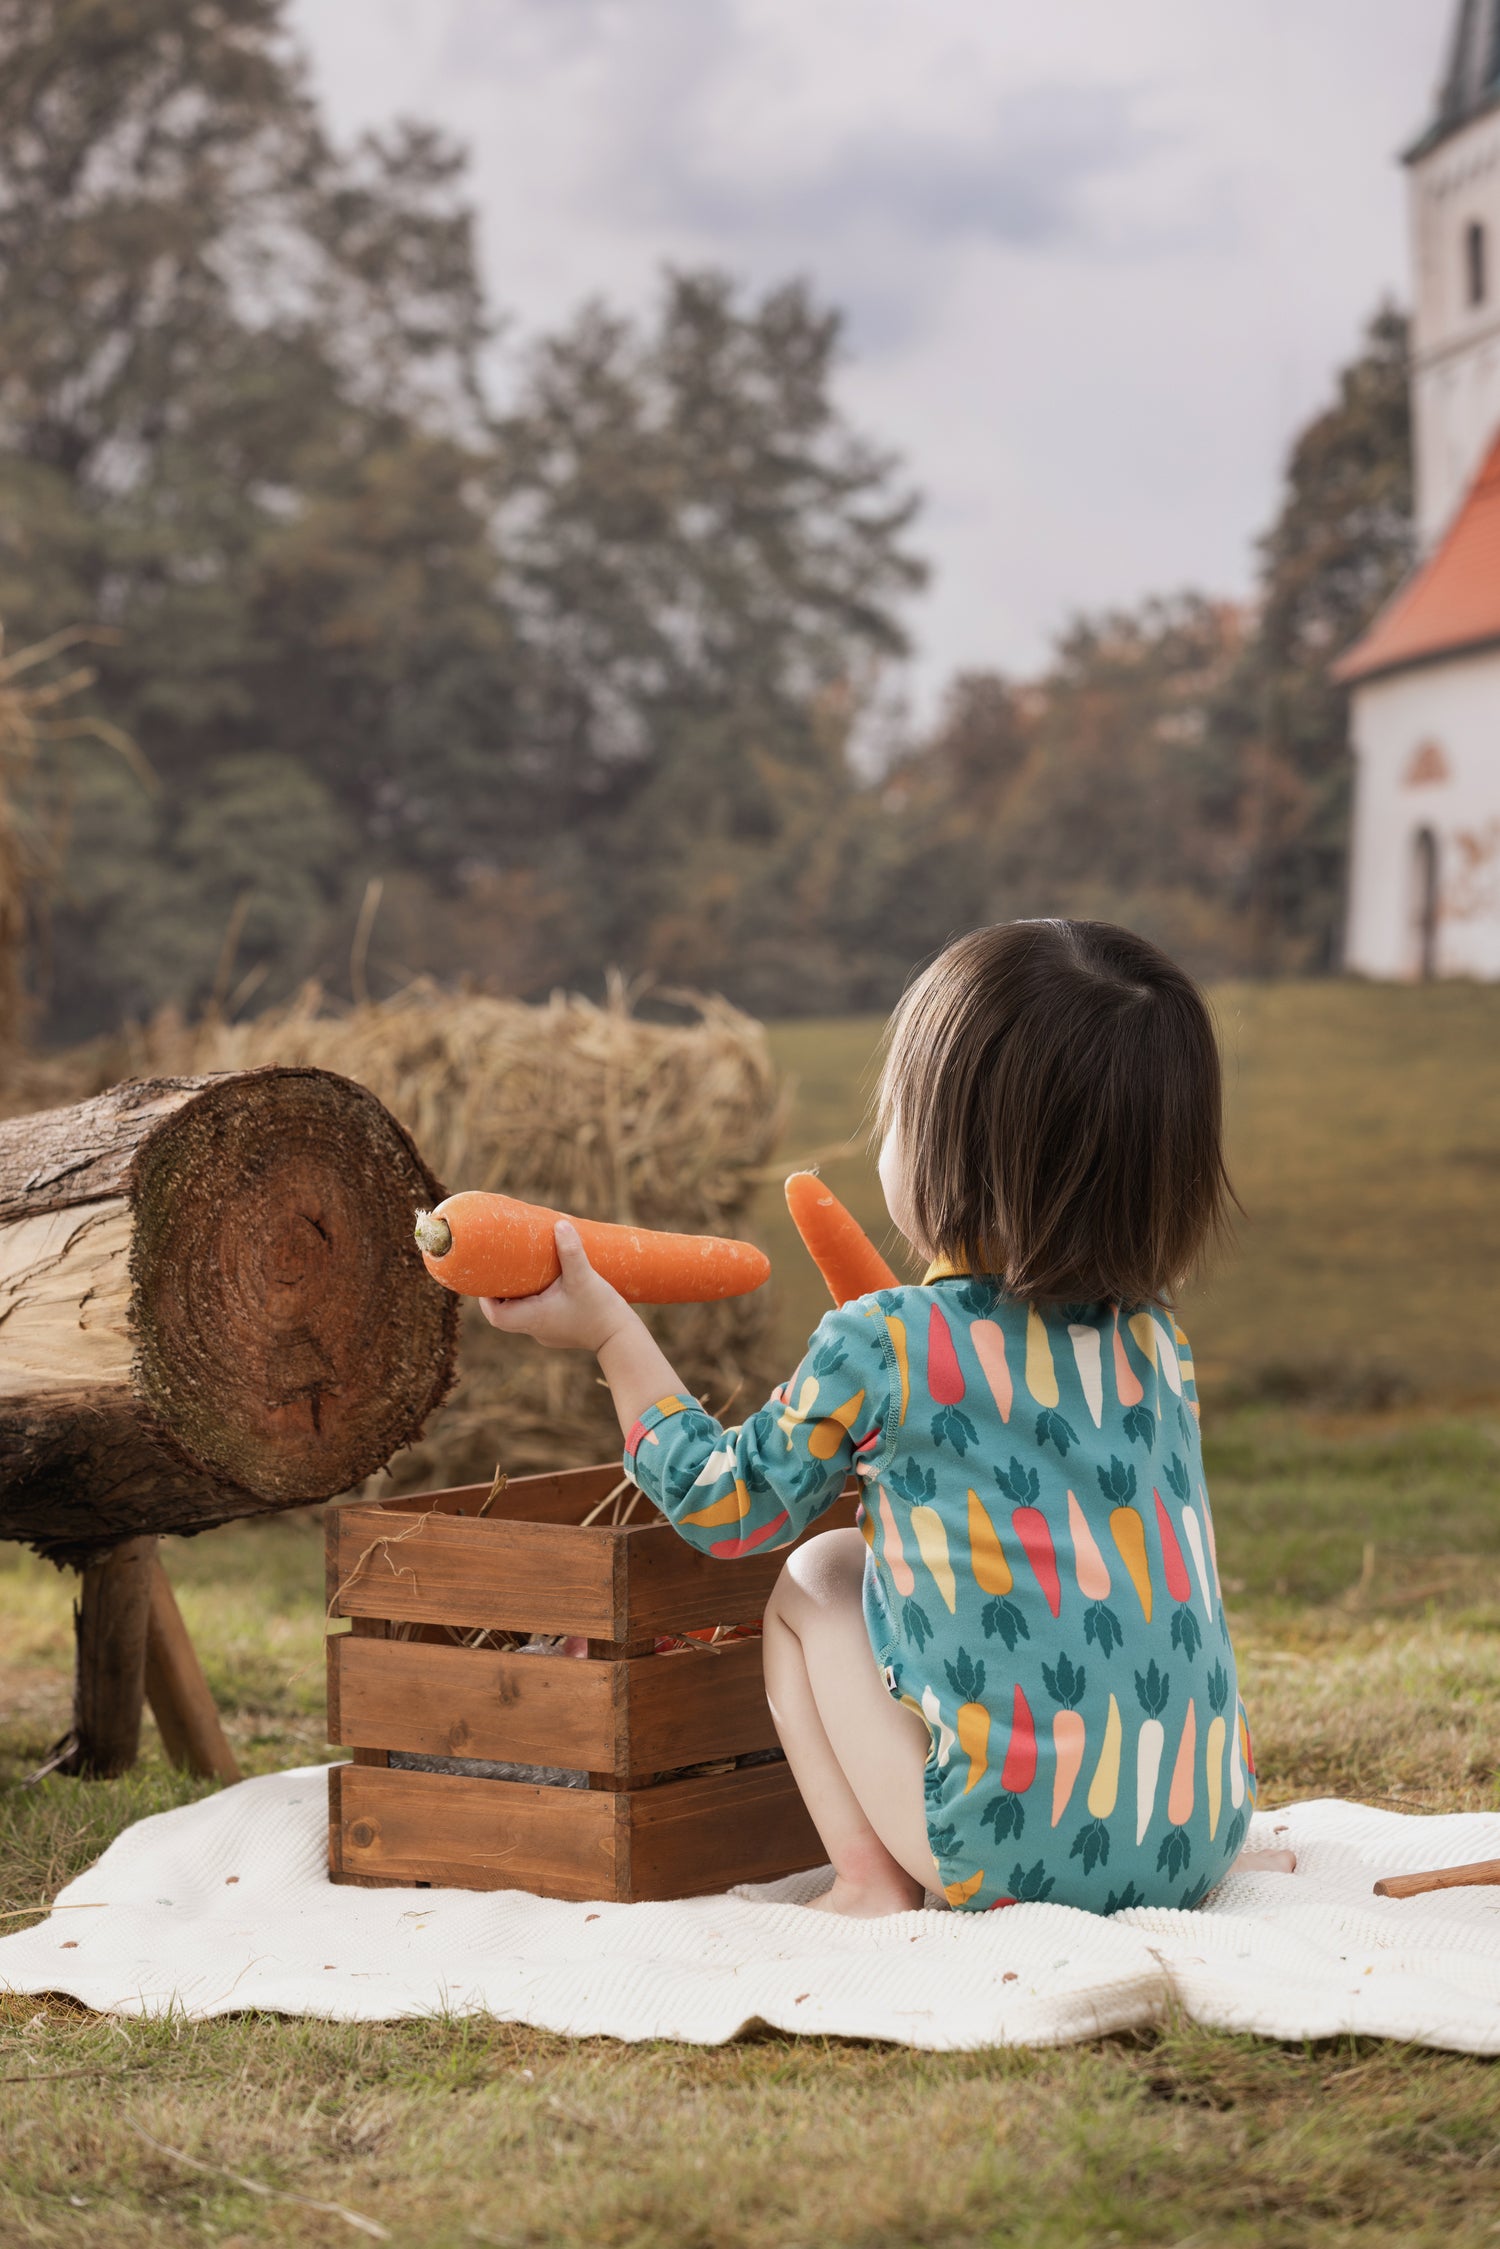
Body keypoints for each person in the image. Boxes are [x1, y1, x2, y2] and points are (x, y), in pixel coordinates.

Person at [483, 920, 1266, 1917]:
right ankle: (1154, 1822)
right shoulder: (1155, 1343)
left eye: (897, 1115)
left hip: (1001, 1855)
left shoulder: (883, 1341)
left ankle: (868, 1876)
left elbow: (726, 1508)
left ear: (948, 1156)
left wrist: (610, 1334)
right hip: (1200, 1838)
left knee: (817, 1570)